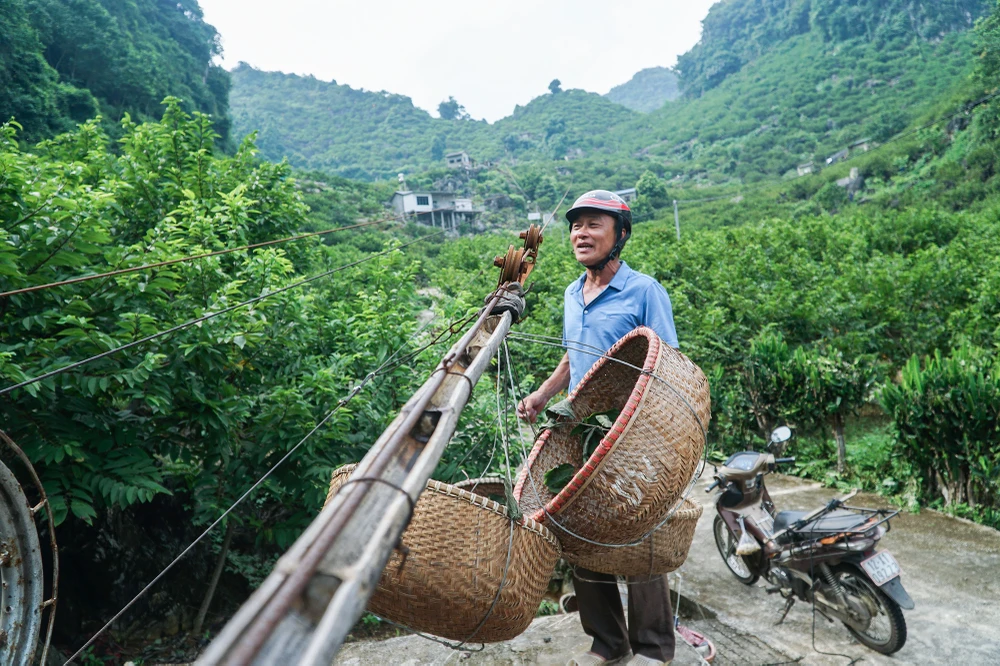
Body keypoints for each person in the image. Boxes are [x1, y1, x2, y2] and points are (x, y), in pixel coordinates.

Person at [516, 190, 678, 666]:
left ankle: (653, 647)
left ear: (620, 235)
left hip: (633, 433)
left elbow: (665, 362)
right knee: (583, 529)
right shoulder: (572, 292)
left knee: (637, 531)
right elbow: (574, 354)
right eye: (575, 226)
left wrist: (649, 428)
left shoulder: (644, 290)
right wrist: (545, 396)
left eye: (593, 225)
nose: (580, 234)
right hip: (583, 431)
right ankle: (608, 644)